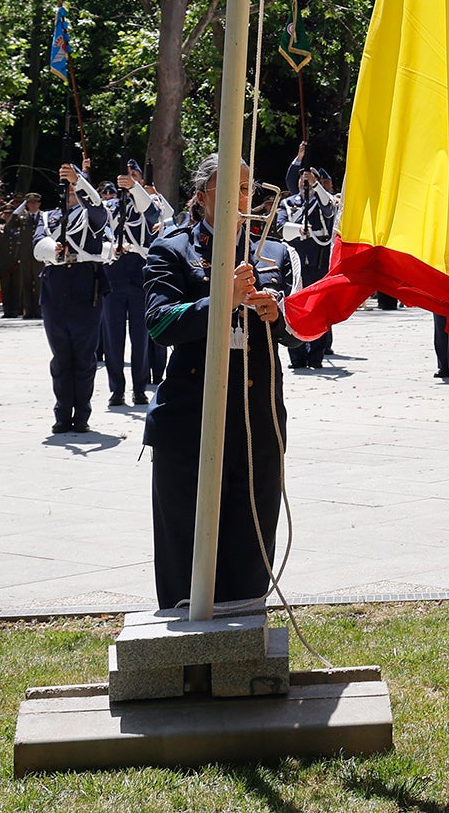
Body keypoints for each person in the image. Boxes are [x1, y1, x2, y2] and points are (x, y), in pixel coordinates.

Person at [143, 153, 292, 615]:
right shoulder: (172, 250)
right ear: (203, 195)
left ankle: (246, 639)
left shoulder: (272, 250)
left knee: (251, 539)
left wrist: (277, 314)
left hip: (256, 417)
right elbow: (159, 324)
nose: (240, 198)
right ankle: (186, 650)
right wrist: (220, 300)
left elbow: (306, 324)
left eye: (247, 189)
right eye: (230, 188)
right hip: (192, 417)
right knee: (187, 543)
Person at [37, 163, 111, 434]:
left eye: (74, 184)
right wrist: (51, 248)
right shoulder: (48, 217)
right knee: (60, 357)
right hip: (55, 287)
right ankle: (61, 413)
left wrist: (79, 180)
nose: (70, 188)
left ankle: (81, 415)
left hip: (85, 285)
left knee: (83, 356)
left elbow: (98, 212)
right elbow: (37, 244)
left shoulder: (93, 213)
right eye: (66, 183)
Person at [105, 165, 170, 405]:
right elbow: (98, 228)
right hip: (115, 272)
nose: (129, 181)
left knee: (140, 336)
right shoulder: (112, 206)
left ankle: (139, 387)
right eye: (126, 177)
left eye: (134, 177)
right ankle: (116, 389)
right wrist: (109, 248)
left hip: (140, 273)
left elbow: (154, 217)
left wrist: (135, 189)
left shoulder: (152, 203)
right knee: (113, 335)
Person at [280, 161, 337, 371]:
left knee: (318, 309)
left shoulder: (324, 201)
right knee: (293, 307)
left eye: (309, 180)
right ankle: (296, 355)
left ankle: (316, 355)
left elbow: (329, 211)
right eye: (303, 179)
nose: (305, 182)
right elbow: (280, 227)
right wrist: (298, 230)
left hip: (317, 263)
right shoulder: (288, 203)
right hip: (295, 262)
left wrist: (316, 186)